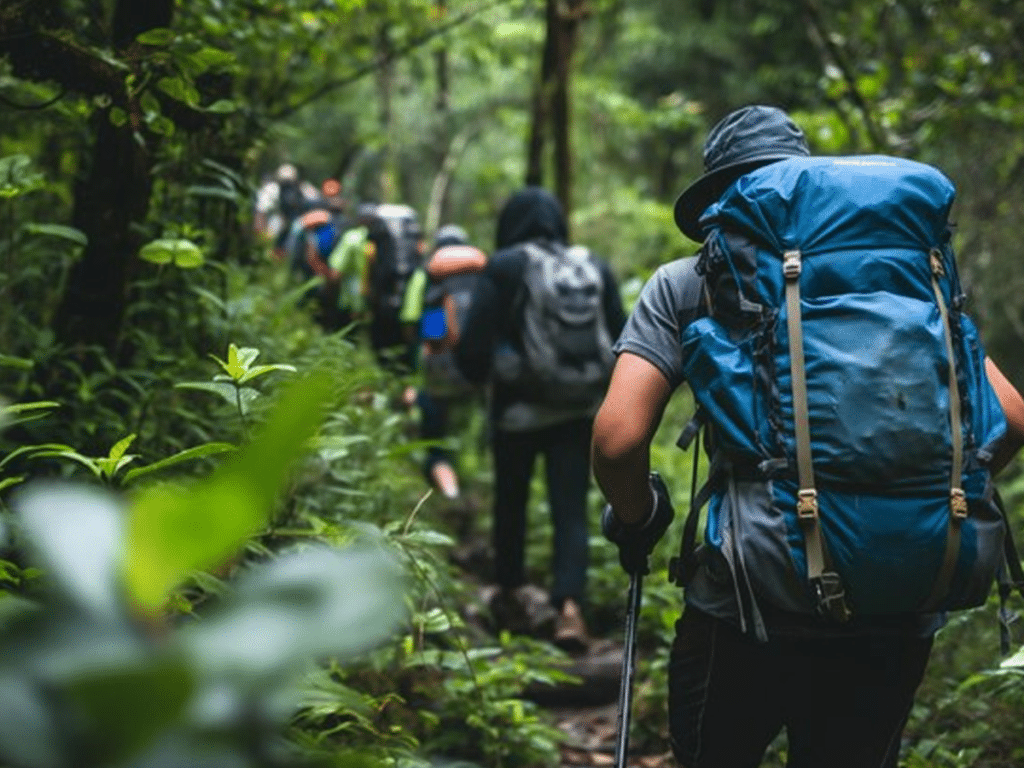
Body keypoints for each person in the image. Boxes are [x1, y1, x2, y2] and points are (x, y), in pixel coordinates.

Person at [591, 104, 1024, 767]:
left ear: (718, 200)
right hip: (897, 602)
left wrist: (637, 515)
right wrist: (904, 497)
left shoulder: (689, 284)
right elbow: (1011, 418)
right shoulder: (911, 279)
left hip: (746, 599)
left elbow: (618, 441)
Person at [456, 186, 626, 652]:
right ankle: (570, 609)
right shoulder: (590, 265)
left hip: (516, 412)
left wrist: (485, 374)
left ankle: (511, 597)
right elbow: (620, 333)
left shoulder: (506, 265)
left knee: (511, 502)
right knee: (570, 509)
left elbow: (472, 347)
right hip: (576, 410)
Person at [399, 224, 488, 501]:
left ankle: (448, 490)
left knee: (435, 433)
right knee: (475, 423)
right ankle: (477, 475)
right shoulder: (482, 279)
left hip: (441, 371)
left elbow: (421, 327)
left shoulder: (429, 278)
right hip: (479, 370)